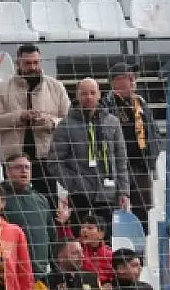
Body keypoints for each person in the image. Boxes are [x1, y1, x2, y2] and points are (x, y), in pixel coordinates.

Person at [48, 77, 129, 235]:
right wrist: (74, 183)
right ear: (78, 96)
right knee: (80, 238)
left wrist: (123, 191)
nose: (89, 97)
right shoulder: (66, 125)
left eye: (92, 93)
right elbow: (54, 161)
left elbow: (121, 159)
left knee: (106, 240)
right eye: (84, 93)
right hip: (80, 194)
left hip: (107, 192)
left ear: (99, 95)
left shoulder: (112, 122)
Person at [0, 44, 69, 195]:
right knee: (13, 205)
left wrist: (49, 122)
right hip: (13, 159)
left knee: (47, 205)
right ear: (18, 63)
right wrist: (20, 116)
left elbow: (68, 121)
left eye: (36, 62)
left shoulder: (56, 87)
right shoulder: (2, 88)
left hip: (46, 158)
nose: (32, 67)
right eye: (27, 63)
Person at [103, 63, 159, 218]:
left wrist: (151, 156)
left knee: (144, 210)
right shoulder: (106, 104)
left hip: (141, 166)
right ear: (115, 81)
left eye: (133, 77)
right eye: (128, 77)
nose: (133, 80)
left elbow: (153, 131)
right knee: (117, 210)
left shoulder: (140, 102)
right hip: (118, 168)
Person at [1, 154, 58, 276]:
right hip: (11, 272)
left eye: (27, 168)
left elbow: (52, 235)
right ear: (7, 171)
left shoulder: (41, 199)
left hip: (40, 273)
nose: (24, 171)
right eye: (18, 167)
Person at [77, 215, 115, 284]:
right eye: (82, 227)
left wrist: (110, 283)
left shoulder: (110, 254)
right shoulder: (76, 249)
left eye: (90, 228)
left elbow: (114, 277)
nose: (84, 230)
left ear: (101, 234)